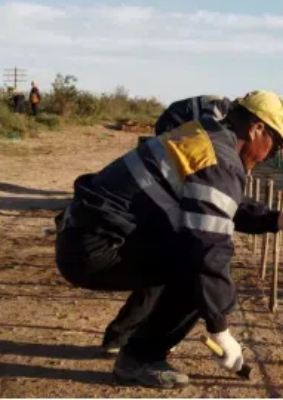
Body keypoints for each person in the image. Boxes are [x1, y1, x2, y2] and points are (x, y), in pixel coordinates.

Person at [54, 90, 283, 389]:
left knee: (187, 251)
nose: (271, 155)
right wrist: (220, 329)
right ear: (257, 129)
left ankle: (133, 343)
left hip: (87, 236)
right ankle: (140, 359)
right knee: (193, 262)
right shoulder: (219, 158)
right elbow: (208, 248)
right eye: (277, 146)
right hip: (93, 248)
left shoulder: (205, 136)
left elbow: (210, 203)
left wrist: (276, 219)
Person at [100, 94, 233, 356]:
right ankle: (135, 347)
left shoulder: (220, 118)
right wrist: (220, 330)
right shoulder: (215, 121)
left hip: (111, 221)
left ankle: (124, 338)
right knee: (186, 265)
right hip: (102, 236)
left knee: (172, 265)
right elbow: (209, 245)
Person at [154, 95, 231, 135]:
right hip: (170, 121)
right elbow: (207, 128)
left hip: (174, 119)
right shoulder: (221, 105)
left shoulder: (223, 105)